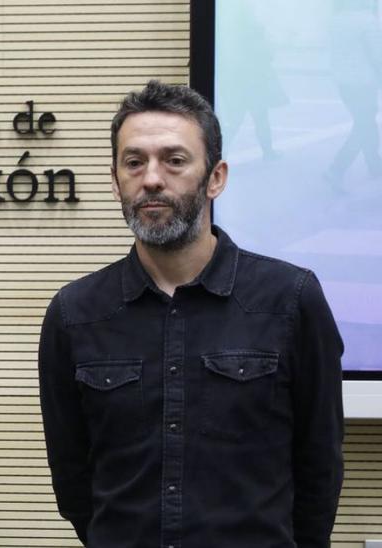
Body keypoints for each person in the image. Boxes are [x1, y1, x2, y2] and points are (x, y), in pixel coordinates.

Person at [37, 80, 344, 547]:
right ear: (116, 178)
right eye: (134, 162)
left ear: (215, 177)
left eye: (175, 160)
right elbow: (74, 483)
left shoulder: (290, 298)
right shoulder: (75, 313)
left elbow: (319, 466)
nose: (152, 178)